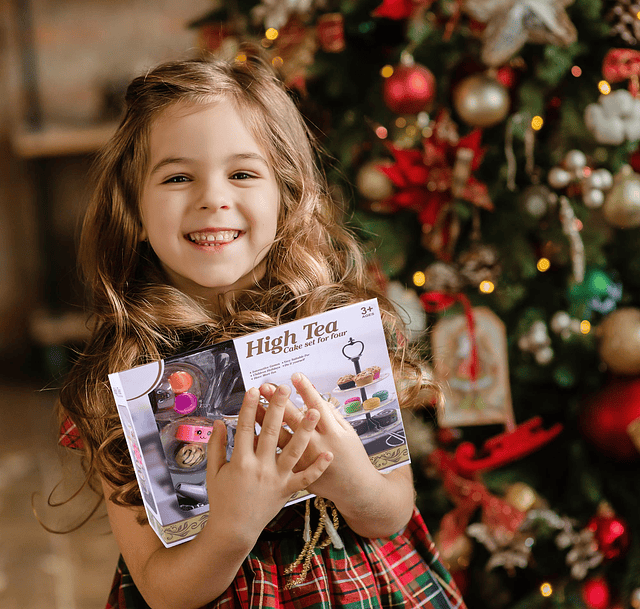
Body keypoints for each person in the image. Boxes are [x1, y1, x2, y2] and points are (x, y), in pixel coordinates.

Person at [55, 49, 466, 609]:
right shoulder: (126, 379)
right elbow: (160, 587)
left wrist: (350, 480)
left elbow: (392, 512)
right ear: (135, 212)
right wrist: (232, 525)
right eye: (178, 176)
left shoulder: (332, 331)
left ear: (286, 194)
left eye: (243, 173)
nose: (213, 198)